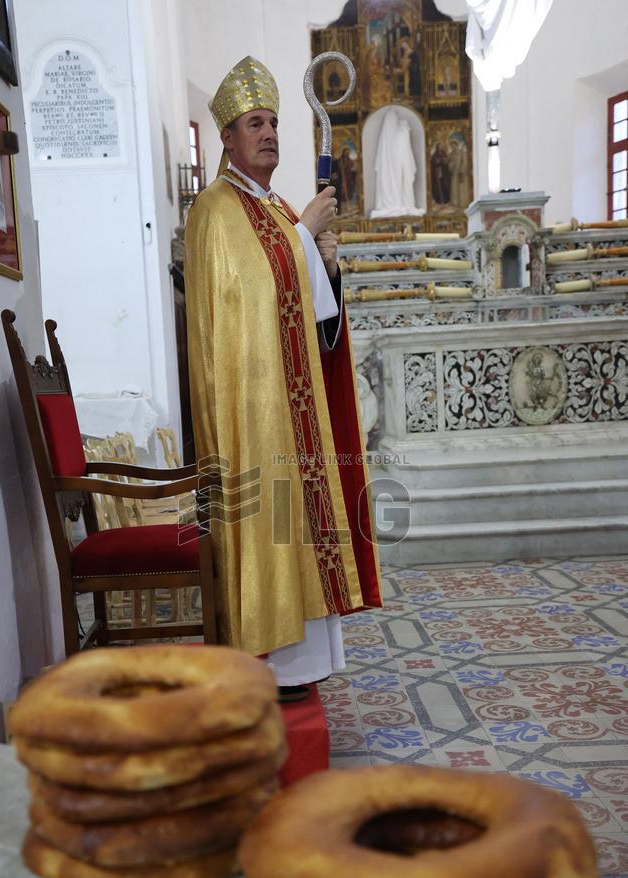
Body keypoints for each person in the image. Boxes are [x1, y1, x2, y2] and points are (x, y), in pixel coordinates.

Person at [184, 56, 382, 698]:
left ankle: (305, 665)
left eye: (272, 122)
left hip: (295, 405)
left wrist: (323, 264)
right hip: (254, 411)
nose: (268, 133)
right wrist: (305, 236)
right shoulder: (215, 210)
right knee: (272, 515)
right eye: (253, 123)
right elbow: (242, 307)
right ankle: (266, 661)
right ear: (227, 138)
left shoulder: (272, 206)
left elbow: (306, 314)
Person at [371, 108, 423, 218]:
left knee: (394, 185)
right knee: (394, 184)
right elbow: (406, 162)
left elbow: (378, 166)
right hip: (396, 175)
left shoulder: (396, 138)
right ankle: (394, 204)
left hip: (395, 176)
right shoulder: (398, 137)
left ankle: (393, 204)